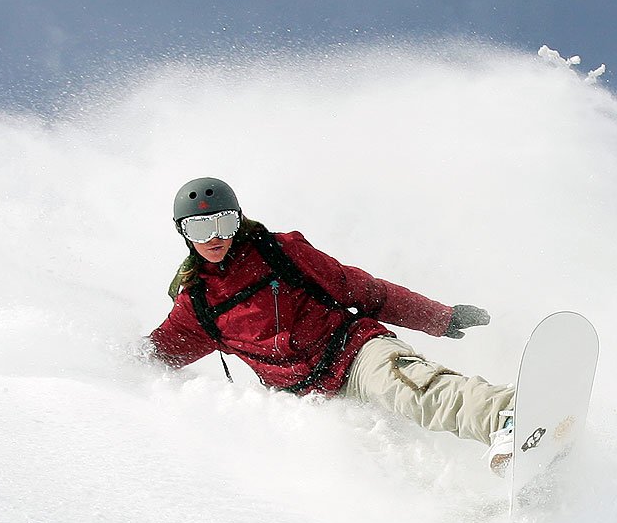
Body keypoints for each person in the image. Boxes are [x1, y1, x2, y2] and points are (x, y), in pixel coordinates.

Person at [143, 177, 517, 471]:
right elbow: (155, 354)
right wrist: (100, 360)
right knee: (378, 466)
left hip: (354, 354)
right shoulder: (197, 304)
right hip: (310, 401)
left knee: (409, 390)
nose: (214, 237)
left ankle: (505, 416)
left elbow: (362, 289)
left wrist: (438, 317)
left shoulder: (279, 252)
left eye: (223, 222)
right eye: (199, 228)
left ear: (238, 220)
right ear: (183, 232)